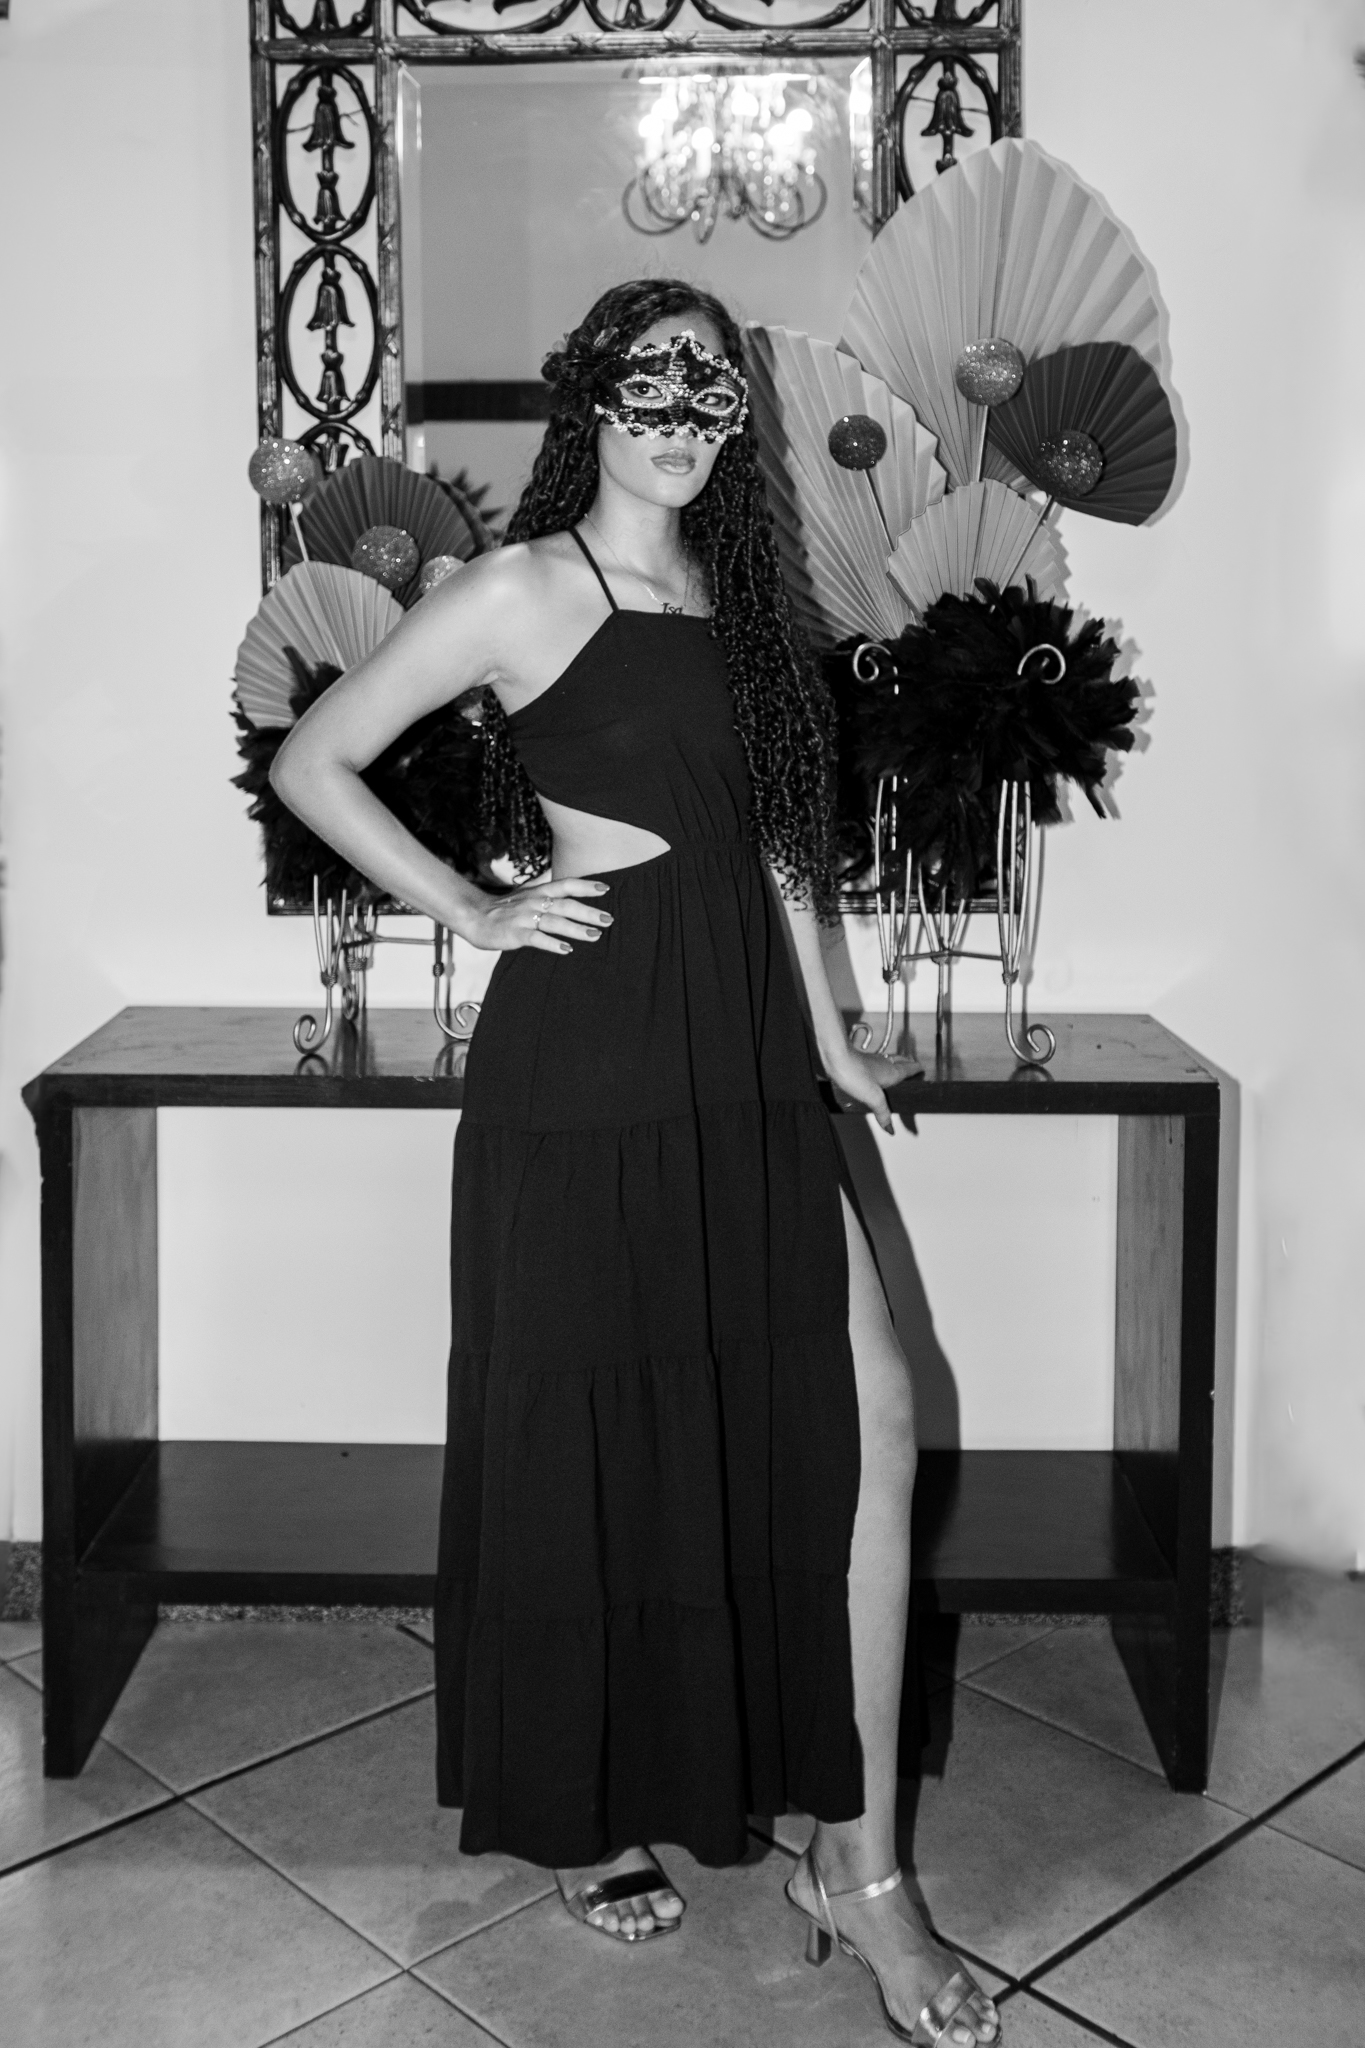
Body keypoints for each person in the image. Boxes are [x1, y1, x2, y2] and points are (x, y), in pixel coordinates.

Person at [270, 279, 999, 2048]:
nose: (678, 416)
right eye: (647, 382)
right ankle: (584, 1809)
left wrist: (826, 1036)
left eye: (708, 389)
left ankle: (859, 1865)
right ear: (589, 401)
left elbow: (773, 847)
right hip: (587, 1056)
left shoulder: (745, 600)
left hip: (744, 1055)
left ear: (736, 419)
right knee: (584, 1442)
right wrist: (475, 908)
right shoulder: (520, 589)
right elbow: (316, 759)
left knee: (867, 1420)